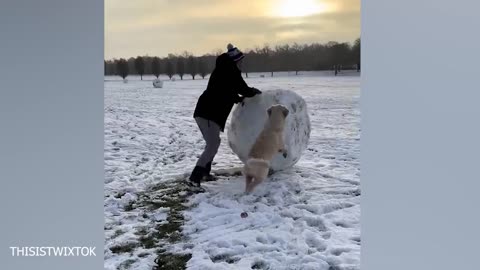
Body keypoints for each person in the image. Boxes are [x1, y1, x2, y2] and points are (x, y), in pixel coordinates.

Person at [188, 43, 262, 187]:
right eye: (241, 61)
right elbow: (242, 88)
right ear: (236, 61)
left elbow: (225, 91)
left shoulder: (223, 70)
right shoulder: (230, 70)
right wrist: (254, 92)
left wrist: (238, 99)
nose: (242, 64)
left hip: (205, 111)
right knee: (213, 144)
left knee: (213, 143)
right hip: (209, 113)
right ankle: (194, 179)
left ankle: (204, 173)